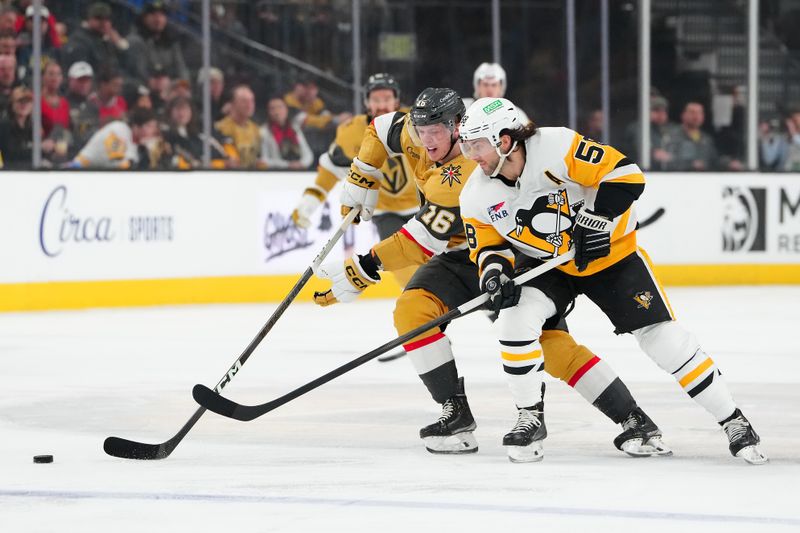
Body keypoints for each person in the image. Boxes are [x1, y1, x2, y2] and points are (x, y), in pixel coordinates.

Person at [313, 87, 669, 461]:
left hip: (506, 257)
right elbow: (382, 127)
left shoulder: (468, 169)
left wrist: (366, 267)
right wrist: (361, 175)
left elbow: (423, 239)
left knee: (550, 348)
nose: (426, 139)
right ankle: (456, 416)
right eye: (421, 131)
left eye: (436, 131)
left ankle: (633, 419)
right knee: (412, 311)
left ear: (457, 128)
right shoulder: (419, 131)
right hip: (458, 256)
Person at [457, 97, 767, 464]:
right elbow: (488, 248)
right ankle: (530, 416)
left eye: (476, 145)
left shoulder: (556, 146)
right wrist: (495, 275)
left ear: (504, 141)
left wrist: (598, 218)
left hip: (612, 257)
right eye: (466, 146)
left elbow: (626, 175)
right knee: (512, 321)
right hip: (552, 266)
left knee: (664, 341)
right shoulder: (476, 195)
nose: (471, 155)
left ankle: (733, 420)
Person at [291, 73, 419, 285]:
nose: (381, 104)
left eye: (386, 98)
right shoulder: (351, 132)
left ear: (396, 100)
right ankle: (423, 301)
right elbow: (330, 170)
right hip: (385, 212)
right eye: (376, 99)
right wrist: (309, 204)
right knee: (403, 265)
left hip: (424, 204)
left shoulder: (415, 123)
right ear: (367, 102)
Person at [69, 106, 159, 169]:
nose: (153, 131)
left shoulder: (136, 145)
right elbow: (117, 165)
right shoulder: (119, 130)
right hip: (79, 169)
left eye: (154, 127)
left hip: (98, 173)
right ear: (136, 127)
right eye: (149, 126)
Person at [126, 0, 189, 85]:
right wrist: (153, 82)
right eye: (153, 14)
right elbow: (138, 71)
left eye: (162, 15)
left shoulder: (170, 40)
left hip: (168, 87)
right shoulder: (135, 41)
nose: (158, 19)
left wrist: (183, 85)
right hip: (142, 89)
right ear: (144, 17)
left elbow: (181, 69)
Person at [622, 94, 678, 170]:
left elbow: (677, 150)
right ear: (646, 112)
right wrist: (653, 153)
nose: (661, 114)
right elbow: (638, 148)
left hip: (665, 174)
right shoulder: (638, 128)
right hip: (639, 172)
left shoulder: (671, 129)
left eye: (663, 111)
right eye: (656, 110)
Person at [463, 63, 530, 124]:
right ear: (477, 86)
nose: (489, 89)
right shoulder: (462, 108)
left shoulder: (516, 114)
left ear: (501, 87)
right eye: (485, 84)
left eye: (494, 85)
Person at [214, 84, 262, 168]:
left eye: (252, 101)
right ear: (232, 104)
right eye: (244, 101)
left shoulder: (256, 129)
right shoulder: (220, 128)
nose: (249, 105)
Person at [259, 96, 314, 169]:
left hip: (300, 171)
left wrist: (301, 164)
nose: (277, 111)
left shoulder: (295, 128)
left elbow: (308, 155)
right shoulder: (263, 131)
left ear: (286, 110)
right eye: (272, 108)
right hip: (277, 174)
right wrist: (288, 165)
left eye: (280, 107)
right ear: (268, 112)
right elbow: (264, 160)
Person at [665, 101, 718, 171]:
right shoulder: (672, 136)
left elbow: (714, 160)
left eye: (699, 113)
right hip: (678, 178)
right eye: (692, 112)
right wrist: (690, 164)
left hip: (704, 179)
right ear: (683, 115)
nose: (696, 116)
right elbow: (666, 160)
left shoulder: (706, 139)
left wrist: (727, 162)